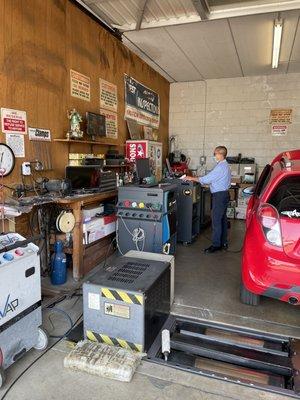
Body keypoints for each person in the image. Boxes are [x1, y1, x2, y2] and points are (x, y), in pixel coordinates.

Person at [185, 146, 231, 253]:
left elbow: (205, 179)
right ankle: (223, 242)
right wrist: (211, 185)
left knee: (216, 221)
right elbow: (219, 180)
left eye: (215, 153)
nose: (214, 155)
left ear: (220, 154)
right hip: (224, 194)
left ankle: (216, 245)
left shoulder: (220, 167)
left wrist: (190, 178)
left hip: (219, 196)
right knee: (222, 219)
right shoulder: (225, 165)